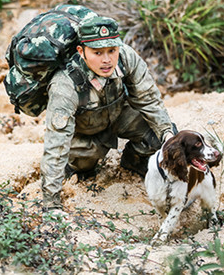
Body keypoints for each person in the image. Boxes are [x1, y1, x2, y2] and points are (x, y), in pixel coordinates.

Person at [41, 16, 176, 211]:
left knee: (160, 134)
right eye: (97, 52)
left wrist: (167, 134)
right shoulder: (65, 85)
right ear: (81, 51)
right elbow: (56, 144)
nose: (106, 60)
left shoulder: (126, 58)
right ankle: (78, 163)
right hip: (85, 129)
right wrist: (51, 203)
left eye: (112, 50)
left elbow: (149, 100)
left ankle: (133, 160)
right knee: (84, 166)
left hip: (120, 112)